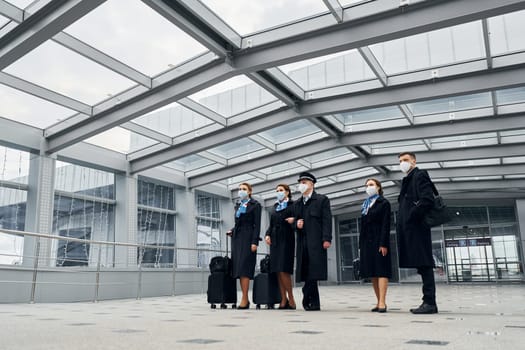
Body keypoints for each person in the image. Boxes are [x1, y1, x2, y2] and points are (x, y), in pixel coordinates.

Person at [397, 152, 438, 314]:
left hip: (417, 227)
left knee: (425, 264)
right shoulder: (407, 179)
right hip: (411, 227)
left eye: (405, 160)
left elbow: (427, 199)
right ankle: (427, 301)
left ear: (414, 161)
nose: (403, 163)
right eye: (400, 161)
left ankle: (430, 303)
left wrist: (411, 216)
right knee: (421, 265)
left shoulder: (420, 175)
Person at [293, 172, 332, 311]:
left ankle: (307, 295)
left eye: (304, 182)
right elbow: (293, 221)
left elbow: (327, 220)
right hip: (302, 241)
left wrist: (327, 238)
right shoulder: (297, 203)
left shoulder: (322, 200)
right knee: (306, 270)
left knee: (314, 270)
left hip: (316, 241)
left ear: (312, 184)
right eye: (300, 182)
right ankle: (314, 303)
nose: (302, 185)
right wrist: (296, 224)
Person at [227, 182, 261, 309]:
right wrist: (232, 230)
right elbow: (238, 224)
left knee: (244, 267)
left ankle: (245, 298)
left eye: (244, 189)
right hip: (237, 238)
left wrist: (254, 241)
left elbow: (257, 225)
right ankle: (244, 298)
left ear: (250, 191)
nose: (241, 191)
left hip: (248, 238)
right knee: (238, 269)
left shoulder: (255, 205)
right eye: (239, 189)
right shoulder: (238, 205)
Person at [359, 178, 392, 313]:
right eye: (367, 185)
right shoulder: (366, 204)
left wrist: (383, 243)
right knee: (372, 272)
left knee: (381, 270)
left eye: (371, 185)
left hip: (379, 241)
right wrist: (361, 244)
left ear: (378, 187)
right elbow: (362, 226)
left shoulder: (383, 203)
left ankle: (383, 302)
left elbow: (386, 224)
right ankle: (378, 301)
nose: (368, 187)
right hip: (367, 242)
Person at [264, 184, 296, 310]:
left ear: (287, 192)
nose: (278, 192)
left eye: (281, 190)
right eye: (277, 191)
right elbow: (271, 224)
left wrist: (294, 220)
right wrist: (267, 235)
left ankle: (291, 298)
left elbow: (298, 219)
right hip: (275, 240)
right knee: (277, 270)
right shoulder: (275, 207)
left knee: (284, 269)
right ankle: (283, 299)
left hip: (286, 238)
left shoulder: (292, 205)